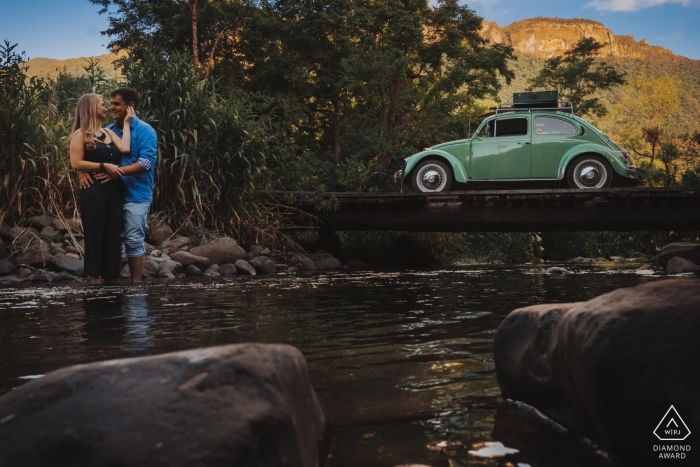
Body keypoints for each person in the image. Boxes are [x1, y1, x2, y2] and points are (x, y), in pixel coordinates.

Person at [80, 88, 157, 284]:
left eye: (116, 104)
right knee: (112, 240)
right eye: (110, 104)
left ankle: (136, 286)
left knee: (133, 239)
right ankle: (111, 286)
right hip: (111, 195)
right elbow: (86, 152)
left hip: (136, 194)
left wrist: (117, 172)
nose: (111, 107)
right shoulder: (108, 131)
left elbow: (147, 163)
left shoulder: (145, 130)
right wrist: (82, 171)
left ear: (130, 106)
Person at [69, 94, 134, 285]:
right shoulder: (81, 135)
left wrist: (128, 124)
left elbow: (125, 148)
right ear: (91, 108)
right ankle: (95, 277)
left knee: (114, 232)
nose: (106, 108)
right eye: (102, 105)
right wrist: (104, 166)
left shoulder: (108, 132)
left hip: (114, 190)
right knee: (94, 232)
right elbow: (76, 163)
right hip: (93, 189)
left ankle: (112, 275)